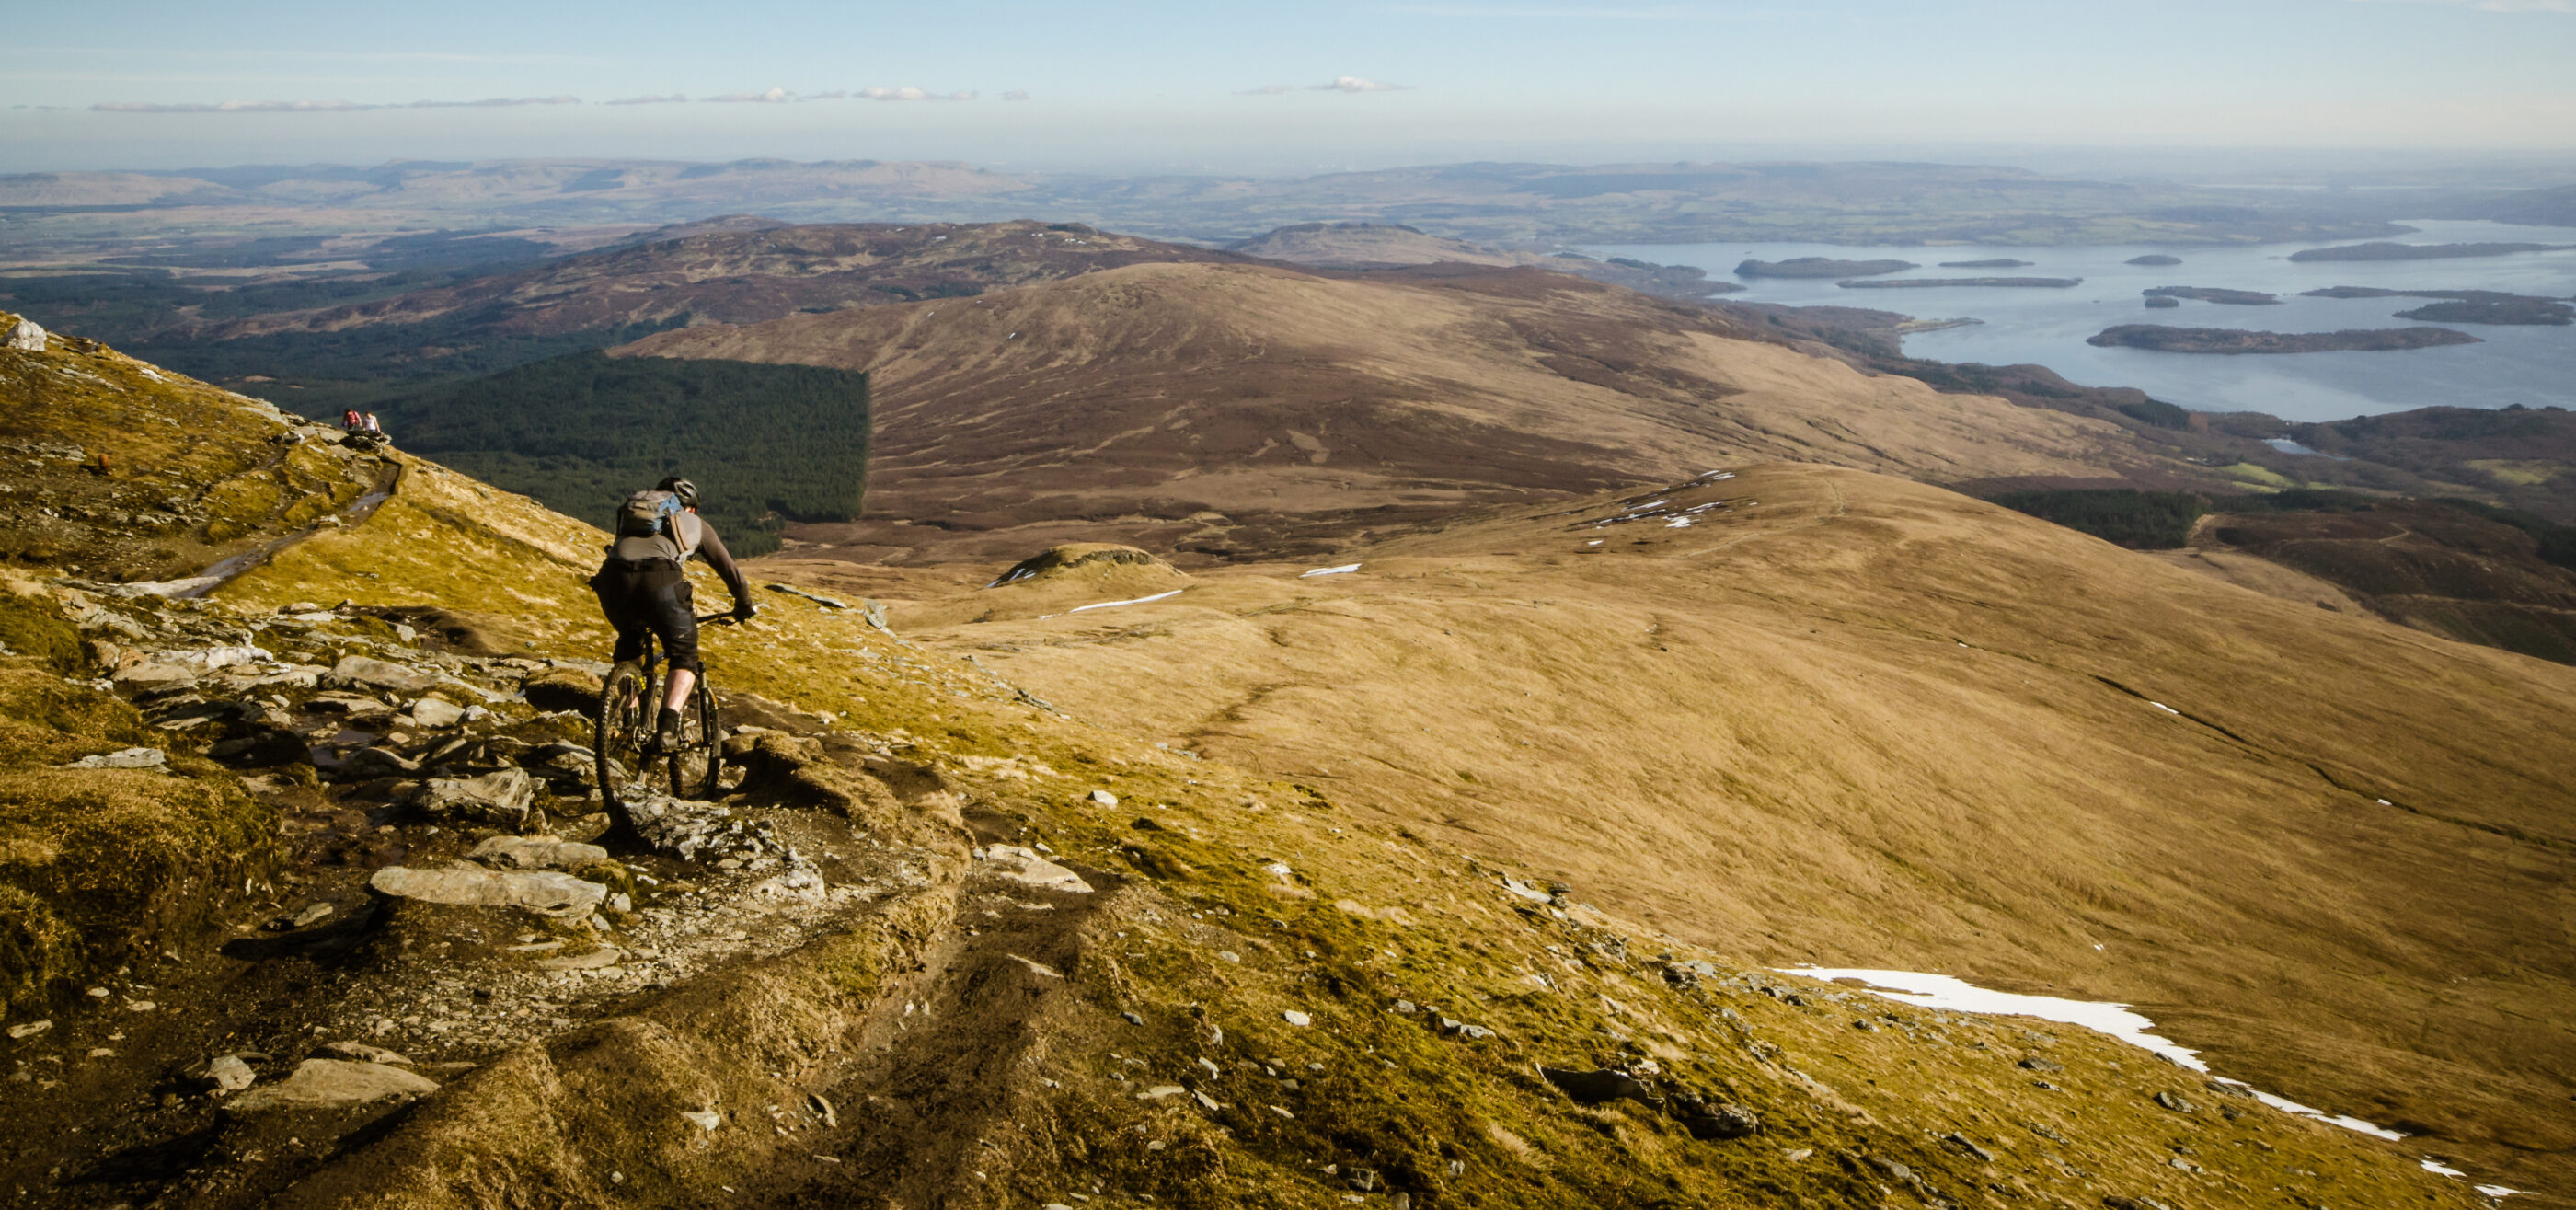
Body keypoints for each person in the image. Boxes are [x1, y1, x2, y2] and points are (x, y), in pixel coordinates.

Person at [589, 476, 755, 754]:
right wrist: (744, 605)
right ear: (689, 507)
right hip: (661, 582)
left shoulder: (631, 518)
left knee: (629, 643)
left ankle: (629, 724)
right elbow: (732, 574)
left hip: (612, 583)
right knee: (683, 656)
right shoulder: (695, 524)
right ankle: (667, 729)